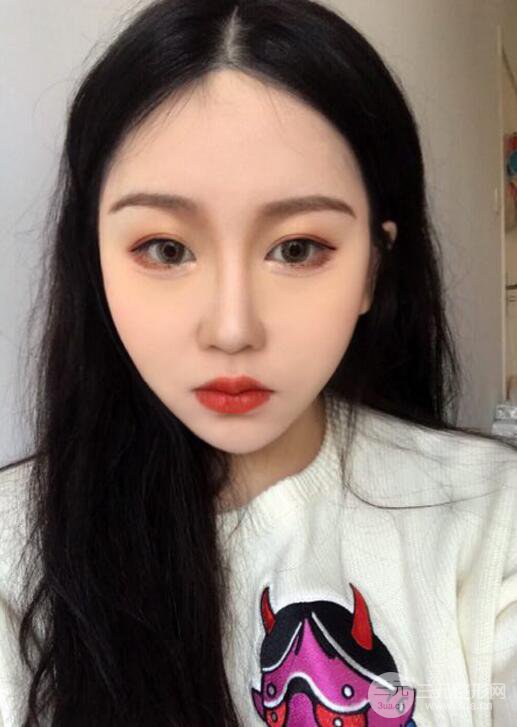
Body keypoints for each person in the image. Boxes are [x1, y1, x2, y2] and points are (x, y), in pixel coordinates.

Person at [0, 0, 515, 725]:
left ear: (373, 269)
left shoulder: (491, 520)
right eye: (166, 249)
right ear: (95, 262)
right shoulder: (13, 555)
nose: (232, 330)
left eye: (297, 249)